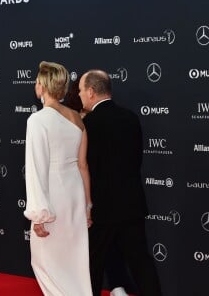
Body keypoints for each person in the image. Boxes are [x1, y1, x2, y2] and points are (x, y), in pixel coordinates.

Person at [79, 69, 162, 296]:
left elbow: (85, 165)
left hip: (102, 208)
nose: (79, 96)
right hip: (131, 203)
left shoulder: (87, 124)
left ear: (91, 92)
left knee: (93, 264)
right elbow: (136, 160)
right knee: (141, 262)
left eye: (80, 91)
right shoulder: (131, 118)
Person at [24, 61, 93, 296]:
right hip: (74, 196)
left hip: (51, 198)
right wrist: (87, 206)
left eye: (36, 81)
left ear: (43, 86)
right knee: (74, 263)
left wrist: (39, 215)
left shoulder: (38, 120)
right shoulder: (77, 118)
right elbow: (83, 166)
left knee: (46, 264)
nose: (35, 84)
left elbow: (36, 168)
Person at [66, 77, 132, 296]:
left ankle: (115, 285)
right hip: (92, 190)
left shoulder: (90, 122)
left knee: (101, 245)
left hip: (95, 192)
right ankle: (114, 286)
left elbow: (86, 163)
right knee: (101, 244)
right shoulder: (78, 119)